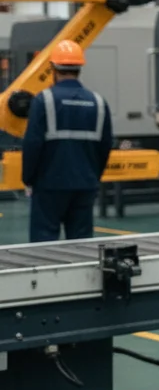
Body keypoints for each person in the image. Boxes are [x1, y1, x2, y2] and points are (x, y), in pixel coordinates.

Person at [22, 40, 113, 242]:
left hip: (49, 185)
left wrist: (28, 178)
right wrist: (92, 176)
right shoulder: (98, 103)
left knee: (44, 245)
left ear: (53, 68)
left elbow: (32, 144)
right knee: (81, 245)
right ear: (80, 67)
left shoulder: (43, 101)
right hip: (85, 185)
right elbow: (105, 146)